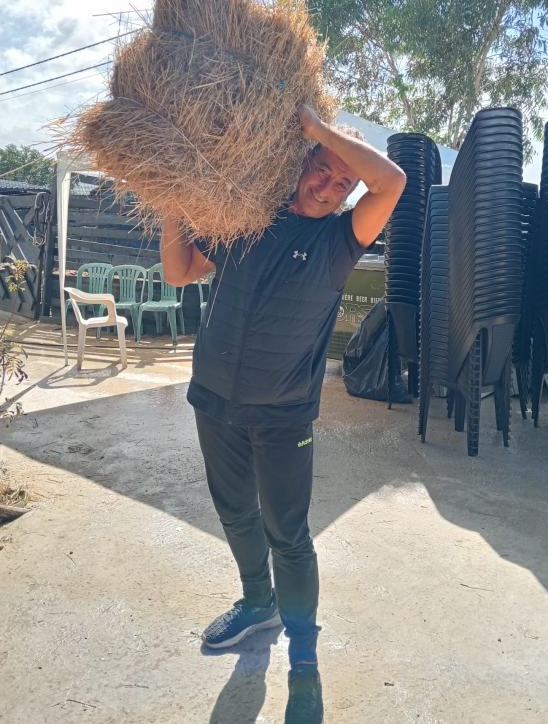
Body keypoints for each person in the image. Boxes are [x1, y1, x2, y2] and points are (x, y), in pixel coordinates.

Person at [161, 104, 405, 723]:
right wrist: (169, 204)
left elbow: (393, 181)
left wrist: (322, 132)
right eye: (321, 169)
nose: (328, 186)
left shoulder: (341, 241)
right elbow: (181, 270)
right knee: (236, 514)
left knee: (289, 535)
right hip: (214, 400)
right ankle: (255, 603)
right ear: (300, 166)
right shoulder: (248, 221)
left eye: (341, 181)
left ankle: (303, 658)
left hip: (283, 417)